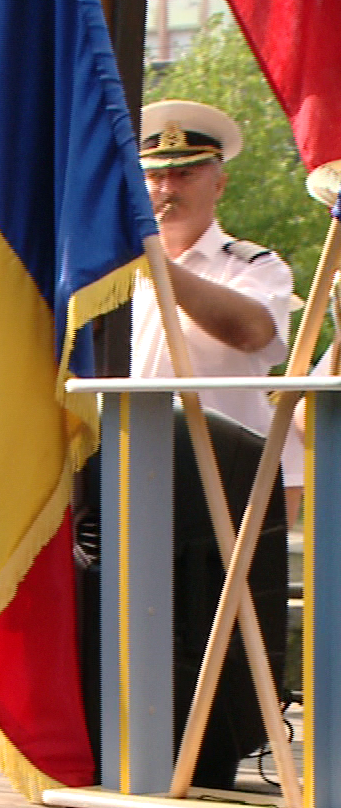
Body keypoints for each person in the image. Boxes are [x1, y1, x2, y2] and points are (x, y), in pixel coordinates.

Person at [132, 100, 299, 505]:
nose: (168, 189)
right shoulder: (107, 273)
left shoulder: (255, 265)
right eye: (155, 177)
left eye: (185, 175)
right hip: (129, 463)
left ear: (219, 185)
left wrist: (153, 262)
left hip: (227, 475)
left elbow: (251, 332)